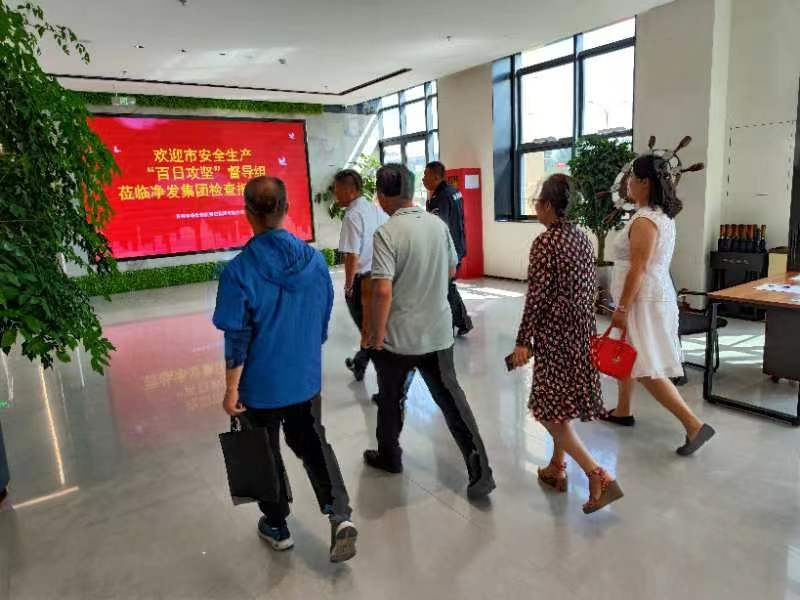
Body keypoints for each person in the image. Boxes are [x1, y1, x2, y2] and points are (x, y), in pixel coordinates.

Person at [213, 176, 357, 563]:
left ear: (247, 213)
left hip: (259, 386)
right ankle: (339, 513)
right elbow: (322, 320)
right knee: (312, 441)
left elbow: (237, 338)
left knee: (264, 451)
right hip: (303, 378)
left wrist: (231, 389)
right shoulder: (315, 262)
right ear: (286, 209)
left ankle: (277, 526)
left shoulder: (238, 272)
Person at [364, 164, 495, 500]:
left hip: (399, 338)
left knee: (391, 399)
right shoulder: (437, 225)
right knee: (452, 400)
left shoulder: (386, 233)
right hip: (438, 332)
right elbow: (451, 270)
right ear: (412, 191)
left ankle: (389, 456)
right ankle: (481, 471)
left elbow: (382, 291)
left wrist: (375, 333)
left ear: (382, 196)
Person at [510, 174, 623, 514]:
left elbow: (537, 298)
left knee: (547, 410)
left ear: (547, 205)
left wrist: (523, 340)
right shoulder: (582, 238)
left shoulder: (546, 243)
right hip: (581, 332)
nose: (536, 208)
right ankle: (556, 466)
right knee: (561, 402)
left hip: (556, 335)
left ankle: (598, 475)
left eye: (538, 202)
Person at [601, 154, 715, 456]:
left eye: (631, 177)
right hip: (648, 296)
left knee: (645, 366)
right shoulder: (655, 215)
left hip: (642, 300)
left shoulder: (645, 220)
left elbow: (638, 268)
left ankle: (694, 425)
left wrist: (622, 309)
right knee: (630, 353)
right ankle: (623, 410)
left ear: (644, 183)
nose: (627, 182)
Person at [335, 169, 389, 383]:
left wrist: (348, 286)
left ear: (350, 190)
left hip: (364, 281)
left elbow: (352, 255)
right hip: (382, 276)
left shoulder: (352, 215)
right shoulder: (375, 210)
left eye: (337, 190)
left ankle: (394, 379)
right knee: (370, 327)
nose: (335, 195)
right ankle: (360, 363)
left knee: (370, 331)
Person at [423, 161, 473, 337]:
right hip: (458, 245)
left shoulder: (440, 198)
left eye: (426, 175)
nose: (423, 179)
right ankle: (461, 322)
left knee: (444, 288)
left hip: (447, 251)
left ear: (436, 177)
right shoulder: (453, 191)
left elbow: (439, 227)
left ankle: (453, 324)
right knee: (446, 286)